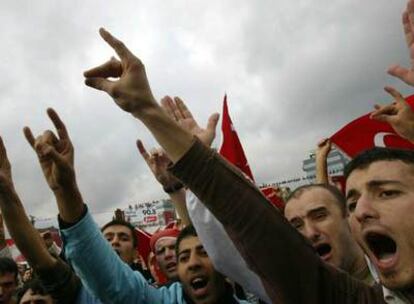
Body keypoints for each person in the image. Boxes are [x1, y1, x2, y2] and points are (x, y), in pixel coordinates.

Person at [284, 184, 374, 285]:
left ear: (348, 216)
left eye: (319, 216)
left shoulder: (390, 271)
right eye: (297, 226)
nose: (310, 233)